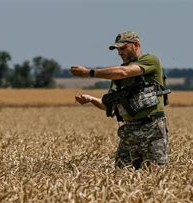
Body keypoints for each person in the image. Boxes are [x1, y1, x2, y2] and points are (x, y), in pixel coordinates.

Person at [70, 31, 169, 170]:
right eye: (117, 49)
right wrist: (91, 99)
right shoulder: (117, 77)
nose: (119, 52)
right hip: (129, 131)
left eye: (123, 48)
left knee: (155, 173)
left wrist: (89, 73)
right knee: (121, 175)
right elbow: (108, 106)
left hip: (151, 128)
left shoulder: (150, 60)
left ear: (135, 45)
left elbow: (124, 72)